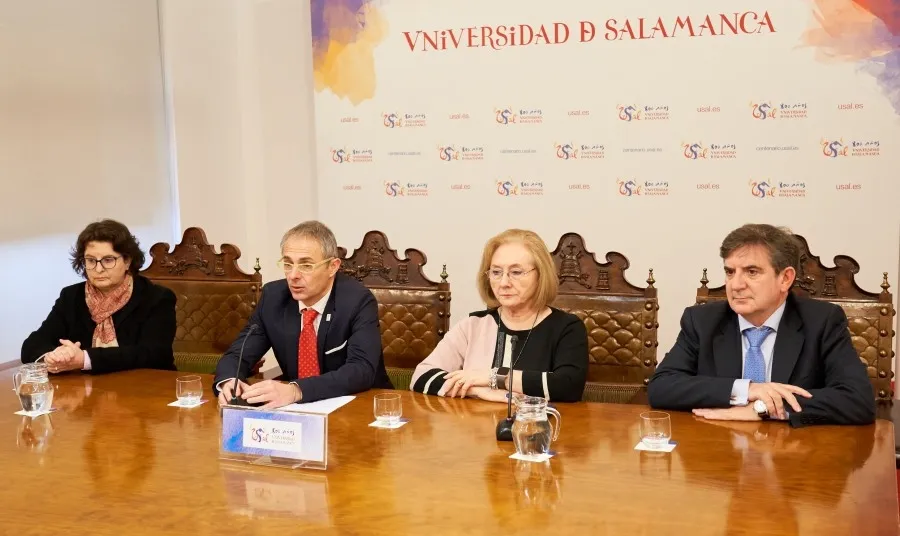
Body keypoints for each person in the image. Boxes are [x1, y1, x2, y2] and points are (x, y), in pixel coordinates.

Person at [647, 224, 875, 427]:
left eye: (751, 272)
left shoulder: (822, 321)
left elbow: (857, 400)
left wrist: (762, 409)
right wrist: (748, 390)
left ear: (785, 278)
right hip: (718, 454)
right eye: (730, 272)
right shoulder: (702, 321)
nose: (735, 285)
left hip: (794, 459)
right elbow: (662, 387)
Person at [214, 221, 392, 408]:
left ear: (333, 266)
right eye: (288, 264)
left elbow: (361, 370)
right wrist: (228, 381)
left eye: (306, 265)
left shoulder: (357, 301)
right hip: (295, 412)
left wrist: (296, 390)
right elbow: (238, 354)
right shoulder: (274, 297)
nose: (293, 275)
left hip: (361, 406)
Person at [411, 229, 588, 403]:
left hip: (540, 429)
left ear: (541, 275)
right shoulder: (473, 325)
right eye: (496, 272)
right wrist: (478, 391)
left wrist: (493, 377)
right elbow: (421, 376)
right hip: (473, 429)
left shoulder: (567, 328)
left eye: (516, 272)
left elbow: (568, 387)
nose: (504, 283)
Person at [21, 219, 176, 373]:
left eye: (108, 260)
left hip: (145, 388)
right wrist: (53, 357)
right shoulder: (71, 296)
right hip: (84, 390)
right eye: (91, 260)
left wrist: (85, 359)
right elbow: (32, 345)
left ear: (127, 261)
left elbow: (154, 354)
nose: (99, 269)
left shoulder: (157, 298)